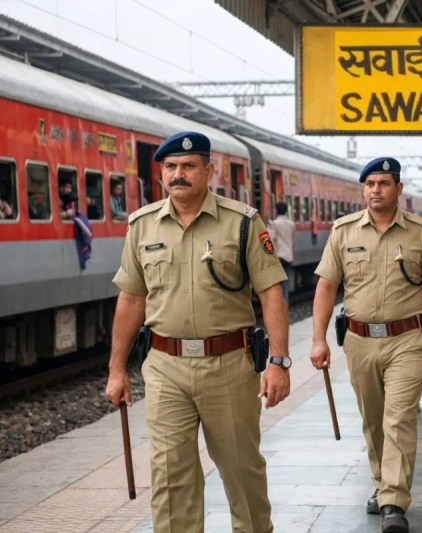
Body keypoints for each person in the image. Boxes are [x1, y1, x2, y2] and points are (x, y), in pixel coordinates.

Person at [104, 131, 290, 533]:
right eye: (170, 167)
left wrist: (278, 361)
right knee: (171, 475)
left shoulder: (242, 222)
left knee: (241, 467)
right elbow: (131, 299)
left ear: (209, 170)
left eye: (188, 166)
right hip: (165, 367)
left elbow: (270, 292)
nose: (178, 174)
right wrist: (117, 369)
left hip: (228, 364)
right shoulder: (142, 226)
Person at [310, 157, 422, 533]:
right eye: (370, 183)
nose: (376, 190)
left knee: (399, 418)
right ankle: (380, 483)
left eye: (384, 183)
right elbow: (326, 286)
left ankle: (394, 499)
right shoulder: (343, 232)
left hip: (408, 339)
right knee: (373, 420)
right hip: (359, 340)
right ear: (364, 189)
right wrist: (317, 339)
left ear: (399, 189)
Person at [268, 201, 295, 304]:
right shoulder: (291, 224)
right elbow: (293, 240)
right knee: (285, 282)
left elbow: (271, 238)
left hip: (278, 256)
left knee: (277, 283)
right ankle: (285, 303)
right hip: (289, 256)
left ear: (276, 211)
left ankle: (279, 304)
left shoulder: (274, 224)